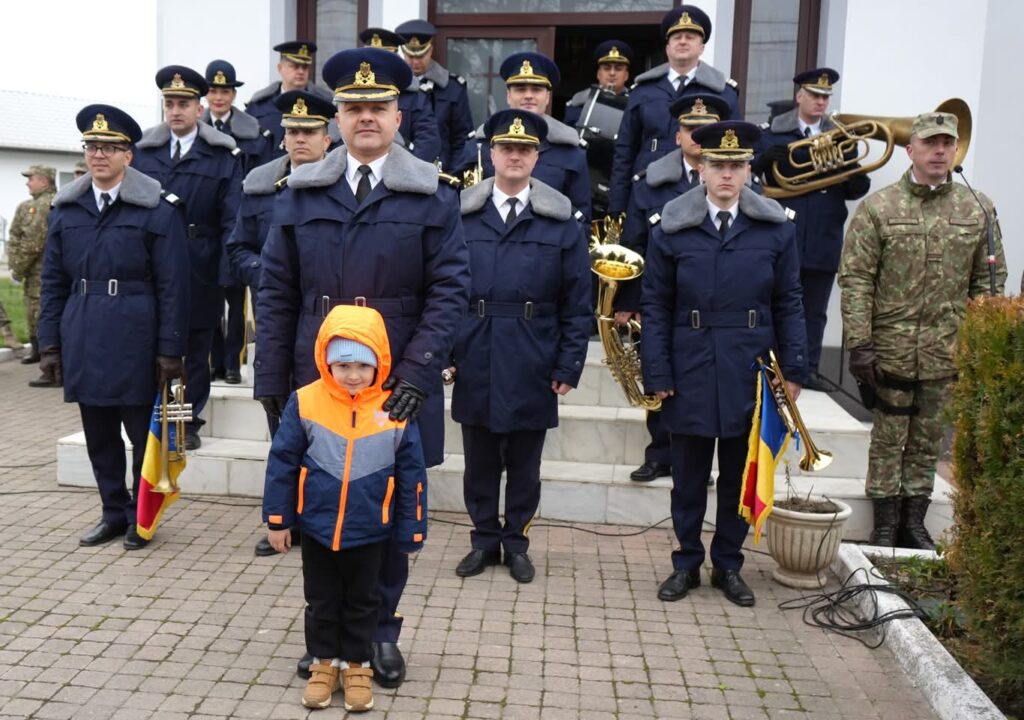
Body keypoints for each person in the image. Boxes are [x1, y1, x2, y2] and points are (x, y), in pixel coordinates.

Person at [256, 47, 470, 688]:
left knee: (386, 517)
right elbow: (274, 293)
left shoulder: (431, 195)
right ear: (337, 118)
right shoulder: (300, 192)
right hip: (316, 388)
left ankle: (378, 634)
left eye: (377, 107)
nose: (365, 118)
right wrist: (272, 381)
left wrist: (415, 376)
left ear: (399, 116)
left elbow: (449, 292)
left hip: (395, 390)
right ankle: (328, 642)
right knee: (320, 516)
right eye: (353, 108)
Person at [641, 120, 807, 607]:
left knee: (740, 474)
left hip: (748, 367)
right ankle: (687, 563)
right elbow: (655, 306)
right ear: (702, 168)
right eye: (718, 165)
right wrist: (658, 372)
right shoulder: (672, 227)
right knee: (689, 476)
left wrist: (794, 368)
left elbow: (790, 300)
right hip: (689, 365)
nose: (727, 175)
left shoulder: (775, 229)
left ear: (749, 169)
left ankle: (728, 565)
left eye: (736, 165)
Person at [838, 111, 1006, 550]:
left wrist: (978, 343)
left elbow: (988, 283)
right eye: (930, 143)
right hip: (890, 348)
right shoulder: (879, 207)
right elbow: (856, 279)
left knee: (929, 437)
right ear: (910, 149)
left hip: (946, 348)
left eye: (947, 144)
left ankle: (914, 519)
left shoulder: (977, 208)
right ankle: (884, 521)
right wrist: (859, 343)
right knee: (889, 437)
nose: (939, 151)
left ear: (955, 150)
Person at [37, 104, 189, 550]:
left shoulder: (158, 209)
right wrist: (49, 344)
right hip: (83, 331)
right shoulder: (66, 210)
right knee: (99, 435)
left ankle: (142, 518)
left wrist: (170, 350)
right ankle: (112, 512)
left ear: (129, 156)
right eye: (92, 146)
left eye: (110, 147)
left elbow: (174, 285)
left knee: (142, 437)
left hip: (137, 336)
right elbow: (52, 283)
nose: (99, 155)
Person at [263, 304, 427, 713]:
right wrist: (279, 520)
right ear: (326, 362)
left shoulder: (395, 409)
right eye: (344, 365)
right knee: (320, 600)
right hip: (317, 529)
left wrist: (411, 530)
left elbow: (413, 477)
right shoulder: (305, 402)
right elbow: (281, 463)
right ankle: (323, 665)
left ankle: (356, 665)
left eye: (363, 365)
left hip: (371, 531)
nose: (353, 375)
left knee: (362, 601)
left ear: (380, 364)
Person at [450, 110, 591, 583]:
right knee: (479, 462)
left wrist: (570, 363)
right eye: (505, 148)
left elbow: (576, 302)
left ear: (537, 157)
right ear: (491, 154)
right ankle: (484, 540)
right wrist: (447, 355)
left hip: (534, 352)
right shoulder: (461, 214)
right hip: (476, 348)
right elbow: (444, 289)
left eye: (524, 149)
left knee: (525, 464)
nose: (514, 155)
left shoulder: (560, 221)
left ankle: (517, 541)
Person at [226, 89, 335, 556]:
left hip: (325, 315)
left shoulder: (340, 184)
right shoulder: (260, 185)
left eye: (309, 132)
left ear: (327, 138)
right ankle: (282, 517)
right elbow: (238, 248)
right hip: (274, 315)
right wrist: (269, 275)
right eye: (292, 132)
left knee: (327, 425)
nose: (299, 140)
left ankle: (324, 518)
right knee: (282, 422)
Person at [618, 92, 732, 485]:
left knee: (707, 383)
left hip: (714, 300)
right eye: (690, 129)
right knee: (658, 372)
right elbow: (633, 243)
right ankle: (659, 454)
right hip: (660, 298)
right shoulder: (650, 181)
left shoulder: (730, 181)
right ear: (677, 135)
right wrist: (628, 300)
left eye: (706, 129)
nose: (698, 135)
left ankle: (698, 460)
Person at [132, 65, 243, 449]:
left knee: (195, 348)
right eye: (169, 103)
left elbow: (232, 219)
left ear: (200, 108)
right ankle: (153, 417)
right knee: (154, 344)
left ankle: (185, 423)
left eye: (183, 103)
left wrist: (227, 269)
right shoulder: (144, 154)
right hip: (151, 265)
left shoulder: (221, 156)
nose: (175, 110)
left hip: (201, 263)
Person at [753, 68, 871, 391]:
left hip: (823, 234)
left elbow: (851, 189)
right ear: (799, 96)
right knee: (775, 302)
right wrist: (763, 161)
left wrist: (855, 178)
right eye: (815, 95)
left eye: (825, 97)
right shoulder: (772, 133)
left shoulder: (841, 136)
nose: (821, 102)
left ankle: (809, 370)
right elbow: (753, 179)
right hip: (784, 232)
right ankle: (771, 366)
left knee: (815, 309)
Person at [608, 5, 740, 217]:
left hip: (704, 186)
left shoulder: (723, 91)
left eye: (690, 36)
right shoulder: (643, 91)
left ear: (702, 47)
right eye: (677, 36)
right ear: (667, 47)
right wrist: (617, 205)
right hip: (650, 188)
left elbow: (735, 148)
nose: (683, 41)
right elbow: (625, 150)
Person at [458, 52, 592, 220]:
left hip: (547, 243)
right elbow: (459, 207)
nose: (528, 95)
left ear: (548, 97)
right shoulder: (479, 145)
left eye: (536, 89)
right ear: (508, 95)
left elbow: (581, 218)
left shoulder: (571, 151)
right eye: (520, 89)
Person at [204, 59, 271, 385]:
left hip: (238, 222)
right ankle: (214, 361)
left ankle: (233, 362)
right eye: (214, 90)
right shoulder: (197, 130)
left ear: (233, 95)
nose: (219, 97)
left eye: (225, 91)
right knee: (210, 301)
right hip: (205, 228)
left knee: (235, 299)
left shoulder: (251, 132)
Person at [395, 18, 474, 172]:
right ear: (403, 52)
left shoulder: (453, 87)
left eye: (420, 56)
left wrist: (453, 176)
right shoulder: (393, 87)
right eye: (410, 56)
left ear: (430, 50)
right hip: (400, 170)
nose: (415, 62)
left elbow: (462, 139)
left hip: (443, 173)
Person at [358, 28, 442, 164]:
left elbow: (428, 143)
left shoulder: (415, 96)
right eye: (371, 63)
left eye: (382, 61)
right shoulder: (351, 96)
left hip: (402, 173)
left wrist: (403, 169)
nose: (376, 67)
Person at [7, 164, 56, 381]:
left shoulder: (46, 204)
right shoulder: (29, 205)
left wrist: (18, 268)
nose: (28, 182)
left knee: (43, 316)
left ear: (44, 181)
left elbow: (33, 243)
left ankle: (50, 365)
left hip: (43, 272)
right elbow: (16, 234)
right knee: (32, 313)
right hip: (35, 273)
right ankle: (39, 352)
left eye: (32, 178)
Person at [245, 41, 333, 158]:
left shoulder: (324, 104)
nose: (301, 71)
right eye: (295, 66)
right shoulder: (259, 105)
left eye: (305, 67)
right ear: (280, 68)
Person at [563, 40, 633, 127]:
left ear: (626, 75)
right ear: (598, 74)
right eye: (606, 68)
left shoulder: (636, 102)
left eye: (618, 69)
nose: (612, 73)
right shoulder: (580, 101)